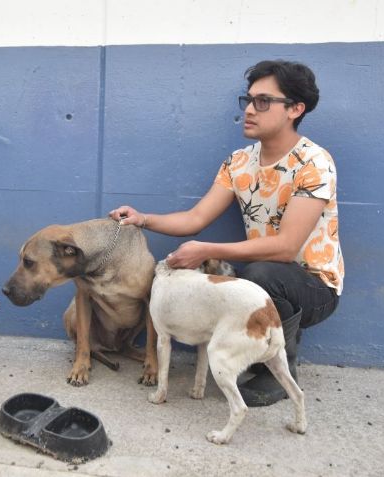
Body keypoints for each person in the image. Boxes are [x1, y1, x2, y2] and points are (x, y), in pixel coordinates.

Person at [110, 60, 343, 407]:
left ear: (295, 109)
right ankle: (242, 354)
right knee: (243, 276)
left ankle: (280, 369)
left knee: (259, 272)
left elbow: (286, 247)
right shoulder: (238, 162)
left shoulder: (314, 163)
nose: (249, 110)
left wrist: (206, 250)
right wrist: (143, 218)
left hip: (315, 288)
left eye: (263, 102)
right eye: (248, 100)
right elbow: (195, 218)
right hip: (263, 277)